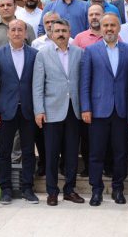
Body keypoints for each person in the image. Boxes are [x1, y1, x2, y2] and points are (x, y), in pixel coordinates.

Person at [80, 14, 128, 206]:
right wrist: (86, 107)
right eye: (106, 25)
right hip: (97, 111)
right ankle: (96, 190)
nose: (109, 28)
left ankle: (118, 188)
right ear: (101, 28)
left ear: (119, 28)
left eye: (113, 25)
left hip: (121, 111)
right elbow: (85, 82)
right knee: (96, 153)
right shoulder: (91, 50)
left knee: (120, 153)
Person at [33, 19, 85, 206]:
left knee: (71, 154)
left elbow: (83, 82)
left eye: (64, 30)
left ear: (69, 32)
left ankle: (70, 190)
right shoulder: (42, 54)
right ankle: (52, 191)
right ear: (51, 33)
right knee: (52, 154)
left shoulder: (79, 53)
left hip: (74, 110)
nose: (61, 34)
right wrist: (39, 110)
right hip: (51, 110)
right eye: (57, 31)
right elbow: (37, 85)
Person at [0, 19, 39, 204]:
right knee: (4, 152)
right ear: (8, 33)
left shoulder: (34, 54)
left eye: (20, 30)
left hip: (28, 110)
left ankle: (27, 188)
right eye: (13, 30)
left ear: (25, 33)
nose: (17, 33)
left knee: (28, 151)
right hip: (5, 110)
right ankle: (5, 189)